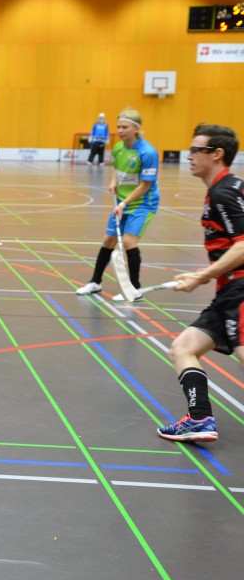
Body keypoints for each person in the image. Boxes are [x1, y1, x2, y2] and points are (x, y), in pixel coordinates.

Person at [157, 124, 240, 442]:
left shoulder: (223, 192)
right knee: (183, 348)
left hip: (240, 291)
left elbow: (243, 244)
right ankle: (200, 418)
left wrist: (201, 277)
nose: (189, 155)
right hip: (227, 291)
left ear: (217, 154)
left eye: (197, 150)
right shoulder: (225, 188)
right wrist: (202, 276)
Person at [76, 109, 159, 296]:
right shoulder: (119, 148)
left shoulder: (147, 153)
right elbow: (117, 168)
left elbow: (145, 186)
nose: (120, 131)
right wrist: (114, 181)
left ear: (136, 129)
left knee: (129, 241)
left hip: (143, 203)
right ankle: (95, 282)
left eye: (125, 127)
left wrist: (123, 204)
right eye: (118, 126)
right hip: (122, 200)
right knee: (109, 240)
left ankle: (134, 288)